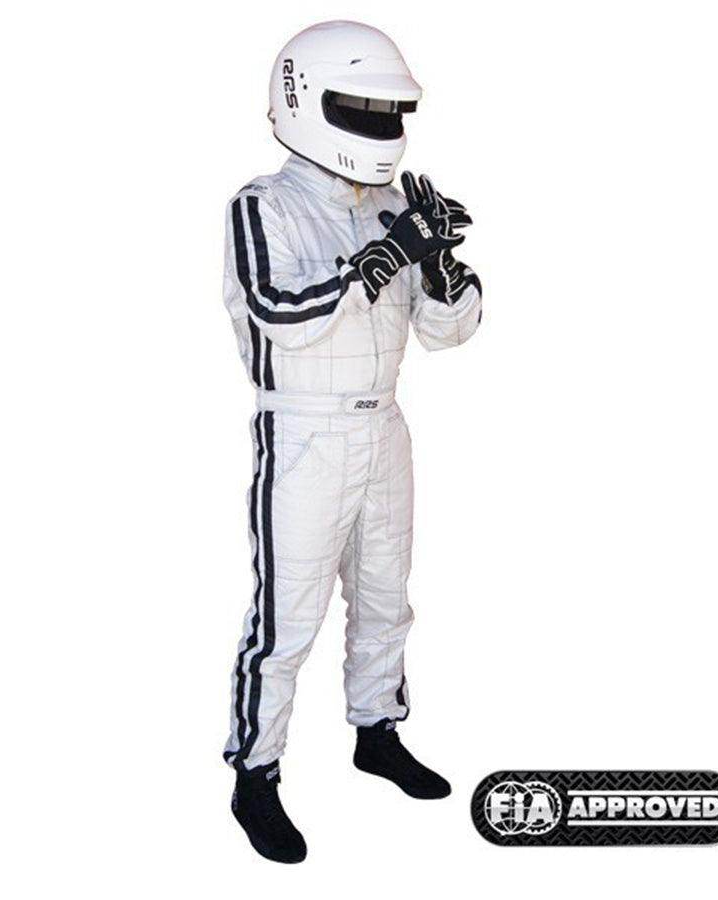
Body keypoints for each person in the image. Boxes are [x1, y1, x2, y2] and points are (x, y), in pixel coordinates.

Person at [222, 21, 482, 863]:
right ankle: (256, 774)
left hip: (384, 428)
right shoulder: (265, 205)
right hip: (305, 431)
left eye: (388, 110)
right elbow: (279, 313)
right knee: (287, 616)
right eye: (362, 107)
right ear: (305, 99)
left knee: (385, 596)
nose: (380, 124)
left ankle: (378, 732)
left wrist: (435, 262)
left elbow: (449, 332)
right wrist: (380, 257)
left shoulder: (396, 206)